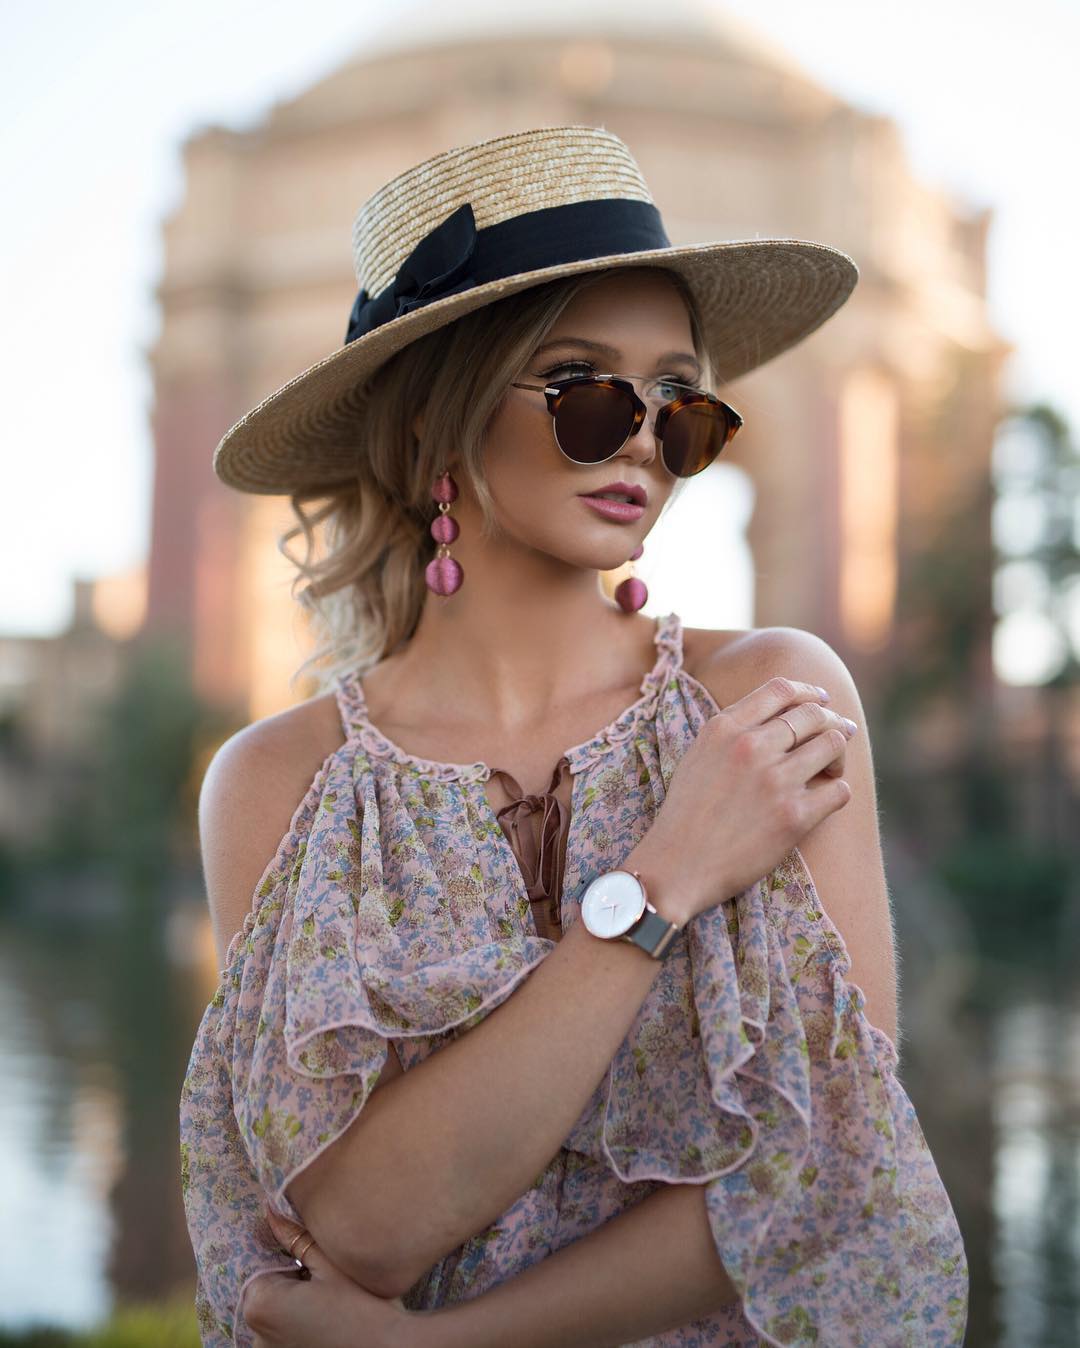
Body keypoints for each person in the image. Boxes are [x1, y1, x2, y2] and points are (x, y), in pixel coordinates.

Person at [179, 125, 968, 1347]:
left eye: (681, 402)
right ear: (434, 419)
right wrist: (664, 878)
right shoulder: (282, 782)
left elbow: (826, 1160)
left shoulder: (767, 700)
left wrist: (437, 1345)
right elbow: (360, 1227)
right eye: (587, 389)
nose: (647, 436)